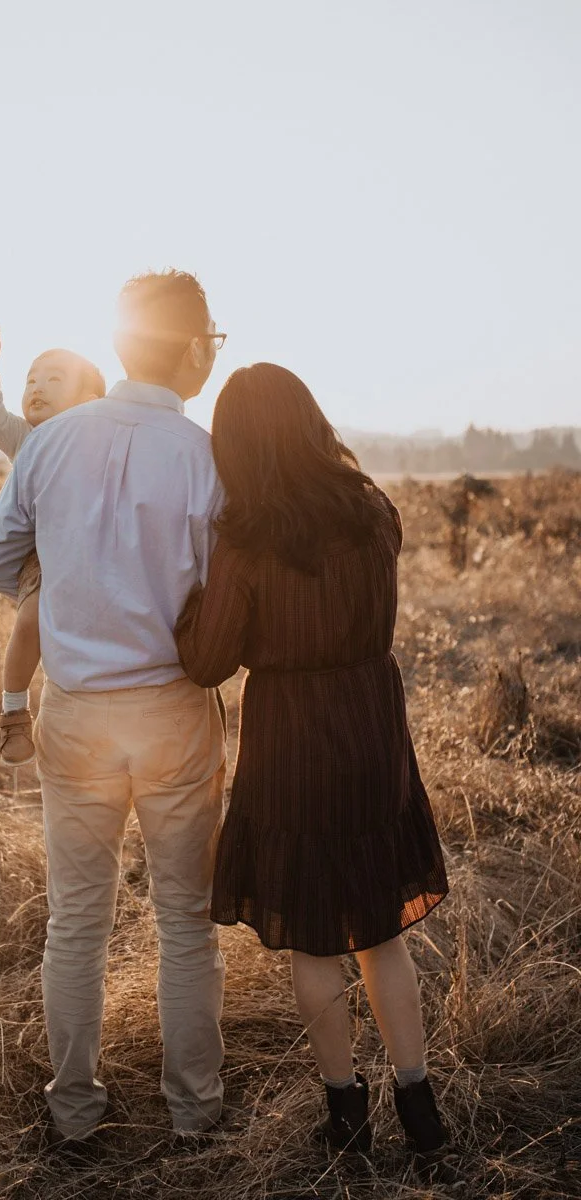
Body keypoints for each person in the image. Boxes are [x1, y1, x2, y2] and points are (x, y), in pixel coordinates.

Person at [174, 363, 459, 1187]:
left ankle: (345, 1110)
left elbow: (205, 662)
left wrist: (190, 604)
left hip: (294, 738)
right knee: (379, 929)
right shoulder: (373, 511)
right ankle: (420, 1106)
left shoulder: (248, 535)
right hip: (372, 726)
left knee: (314, 937)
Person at [0, 271, 229, 1142]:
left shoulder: (49, 444)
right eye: (214, 342)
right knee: (185, 925)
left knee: (76, 925)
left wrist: (71, 592)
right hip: (171, 709)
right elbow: (227, 594)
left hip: (76, 710)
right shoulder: (205, 457)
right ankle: (195, 1113)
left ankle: (75, 1114)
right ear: (194, 350)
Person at [0, 325, 105, 765]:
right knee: (30, 621)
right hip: (43, 558)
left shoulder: (101, 444)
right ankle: (14, 715)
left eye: (54, 379)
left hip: (94, 558)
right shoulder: (26, 439)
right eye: (31, 379)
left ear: (90, 403)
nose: (37, 388)